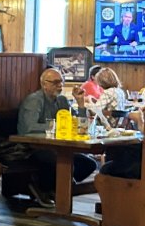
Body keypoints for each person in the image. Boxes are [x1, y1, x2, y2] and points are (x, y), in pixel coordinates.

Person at [17, 68, 97, 205]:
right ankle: (47, 189)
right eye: (55, 82)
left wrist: (81, 103)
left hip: (58, 147)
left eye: (61, 82)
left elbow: (80, 128)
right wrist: (57, 127)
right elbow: (28, 128)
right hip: (33, 147)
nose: (60, 86)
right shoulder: (34, 100)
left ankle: (56, 190)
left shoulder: (62, 101)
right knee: (62, 162)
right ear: (44, 84)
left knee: (88, 164)